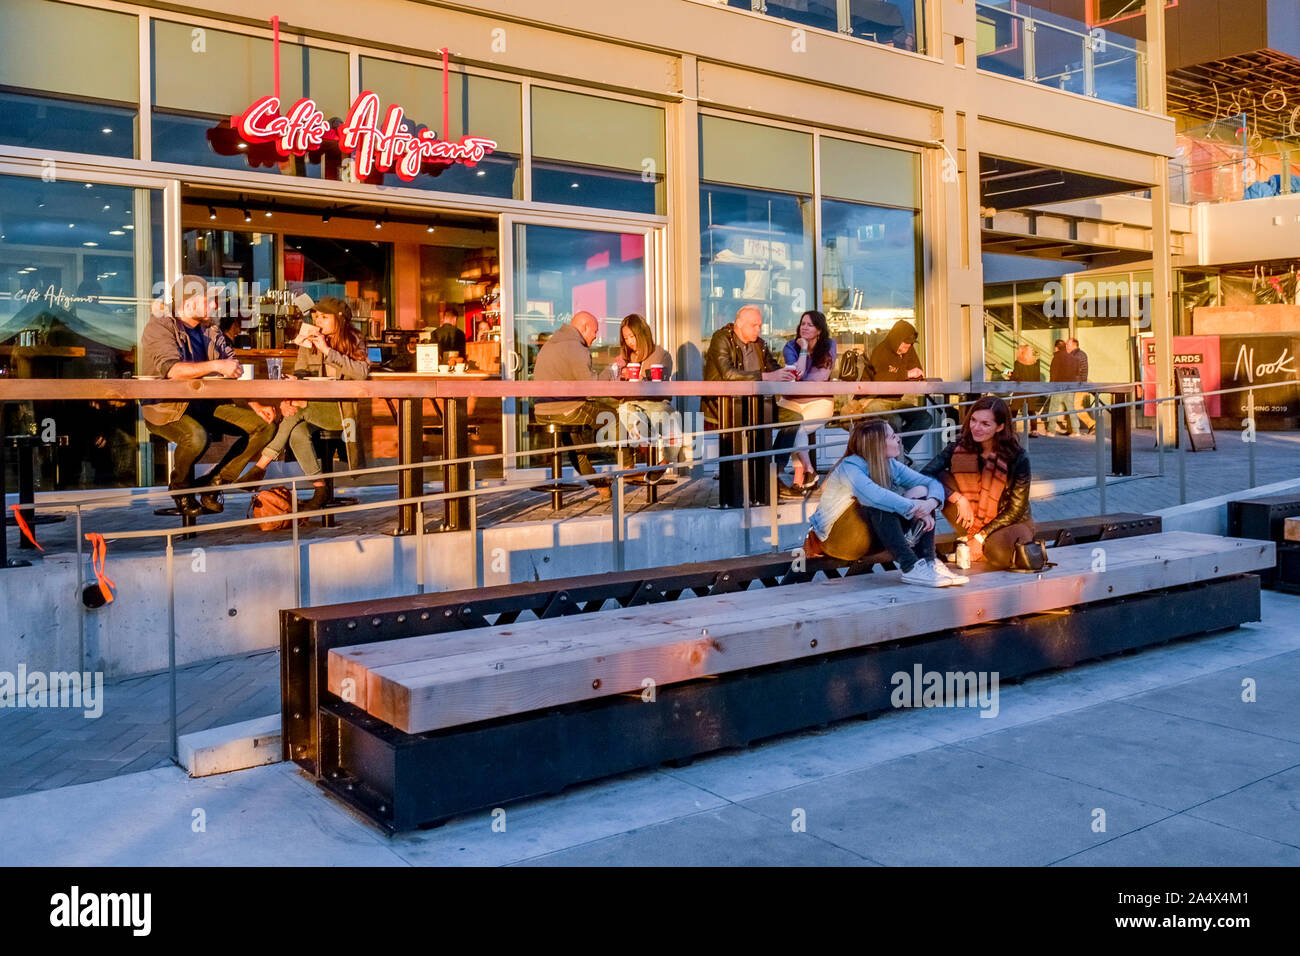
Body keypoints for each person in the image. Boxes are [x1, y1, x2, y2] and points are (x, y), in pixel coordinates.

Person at [140, 275, 276, 518]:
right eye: (210, 301)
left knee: (265, 425)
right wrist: (217, 365)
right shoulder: (160, 326)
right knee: (196, 437)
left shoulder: (211, 330)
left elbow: (232, 370)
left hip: (206, 404)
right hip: (167, 407)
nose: (215, 306)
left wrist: (254, 404)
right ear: (189, 302)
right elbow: (172, 370)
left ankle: (214, 483)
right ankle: (181, 490)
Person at [240, 297, 369, 509]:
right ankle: (320, 488)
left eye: (324, 317)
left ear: (340, 319)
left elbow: (362, 373)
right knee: (297, 432)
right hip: (310, 407)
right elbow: (301, 373)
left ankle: (260, 466)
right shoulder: (308, 341)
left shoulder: (354, 339)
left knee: (299, 409)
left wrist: (328, 351)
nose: (318, 321)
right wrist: (288, 396)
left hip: (341, 411)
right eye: (316, 316)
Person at [805, 419, 967, 588]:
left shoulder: (890, 465)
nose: (898, 438)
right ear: (877, 445)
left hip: (871, 538)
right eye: (892, 436)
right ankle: (910, 567)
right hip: (837, 541)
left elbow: (931, 483)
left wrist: (930, 504)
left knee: (922, 491)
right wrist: (915, 507)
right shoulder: (850, 467)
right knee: (879, 503)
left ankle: (929, 563)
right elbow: (876, 497)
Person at [922, 395, 1035, 571]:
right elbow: (925, 474)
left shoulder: (1017, 457)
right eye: (973, 420)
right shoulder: (960, 445)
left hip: (1009, 522)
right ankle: (963, 544)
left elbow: (1016, 509)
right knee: (938, 480)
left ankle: (977, 544)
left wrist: (981, 537)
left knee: (998, 554)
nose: (976, 428)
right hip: (970, 517)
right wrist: (958, 498)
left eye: (985, 424)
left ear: (1000, 427)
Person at [703, 305, 800, 497]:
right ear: (739, 324)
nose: (758, 329)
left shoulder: (760, 344)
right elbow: (728, 374)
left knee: (793, 418)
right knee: (751, 429)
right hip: (726, 405)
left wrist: (788, 373)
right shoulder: (721, 338)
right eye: (754, 325)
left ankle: (772, 471)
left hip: (759, 406)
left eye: (760, 325)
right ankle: (744, 487)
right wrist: (767, 377)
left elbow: (773, 370)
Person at [532, 311, 620, 499]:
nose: (596, 336)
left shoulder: (550, 344)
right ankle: (629, 467)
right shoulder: (576, 348)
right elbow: (591, 388)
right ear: (585, 327)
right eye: (594, 331)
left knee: (574, 446)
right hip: (566, 409)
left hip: (542, 411)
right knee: (613, 416)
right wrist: (613, 369)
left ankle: (601, 486)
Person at [608, 313, 681, 472]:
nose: (629, 342)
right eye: (626, 338)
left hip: (656, 404)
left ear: (642, 333)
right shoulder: (625, 357)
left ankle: (664, 464)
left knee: (674, 421)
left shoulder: (662, 355)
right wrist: (618, 377)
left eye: (632, 336)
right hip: (631, 405)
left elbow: (659, 388)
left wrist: (636, 379)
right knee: (620, 416)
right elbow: (617, 391)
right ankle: (631, 463)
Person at [779, 310, 837, 492]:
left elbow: (819, 378)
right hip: (791, 402)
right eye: (802, 323)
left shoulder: (829, 346)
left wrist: (798, 376)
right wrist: (803, 349)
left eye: (809, 325)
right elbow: (796, 374)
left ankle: (804, 475)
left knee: (797, 428)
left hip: (819, 402)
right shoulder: (791, 346)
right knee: (794, 427)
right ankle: (807, 474)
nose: (804, 327)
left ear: (819, 330)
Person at [865, 319, 932, 454]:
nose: (908, 347)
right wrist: (907, 374)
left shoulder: (908, 350)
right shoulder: (881, 351)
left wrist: (915, 375)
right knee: (894, 421)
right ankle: (892, 455)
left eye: (910, 344)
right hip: (873, 399)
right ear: (897, 339)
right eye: (905, 343)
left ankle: (900, 451)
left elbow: (917, 371)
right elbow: (881, 380)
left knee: (925, 418)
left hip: (896, 401)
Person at [1009, 343, 1047, 438]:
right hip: (1031, 389)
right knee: (1031, 411)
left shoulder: (1018, 363)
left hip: (1020, 389)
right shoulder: (1036, 363)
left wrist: (1010, 375)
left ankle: (1011, 430)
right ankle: (1034, 430)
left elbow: (1017, 376)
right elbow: (1037, 378)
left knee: (1014, 410)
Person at [1066, 337, 1096, 435]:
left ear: (1074, 345)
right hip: (1076, 384)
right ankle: (1071, 428)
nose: (1066, 346)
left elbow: (1075, 371)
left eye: (1068, 344)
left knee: (1076, 406)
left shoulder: (1078, 355)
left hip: (1078, 385)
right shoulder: (1076, 355)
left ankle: (1091, 424)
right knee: (1071, 405)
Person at [1046, 339, 1075, 435]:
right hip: (1070, 386)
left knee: (1053, 408)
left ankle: (1051, 430)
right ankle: (1075, 430)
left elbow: (1053, 373)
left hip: (1058, 386)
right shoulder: (1071, 356)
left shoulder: (1057, 357)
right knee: (1071, 408)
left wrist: (1051, 385)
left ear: (1056, 347)